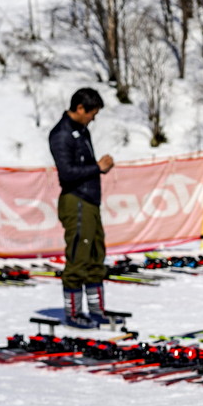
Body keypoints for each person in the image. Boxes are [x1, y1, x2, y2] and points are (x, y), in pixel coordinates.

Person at [49, 87, 115, 328]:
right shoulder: (61, 134)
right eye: (92, 113)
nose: (93, 118)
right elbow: (66, 174)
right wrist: (98, 168)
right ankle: (74, 312)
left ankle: (96, 310)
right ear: (79, 108)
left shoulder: (80, 130)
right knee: (78, 256)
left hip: (90, 201)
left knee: (96, 255)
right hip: (76, 200)